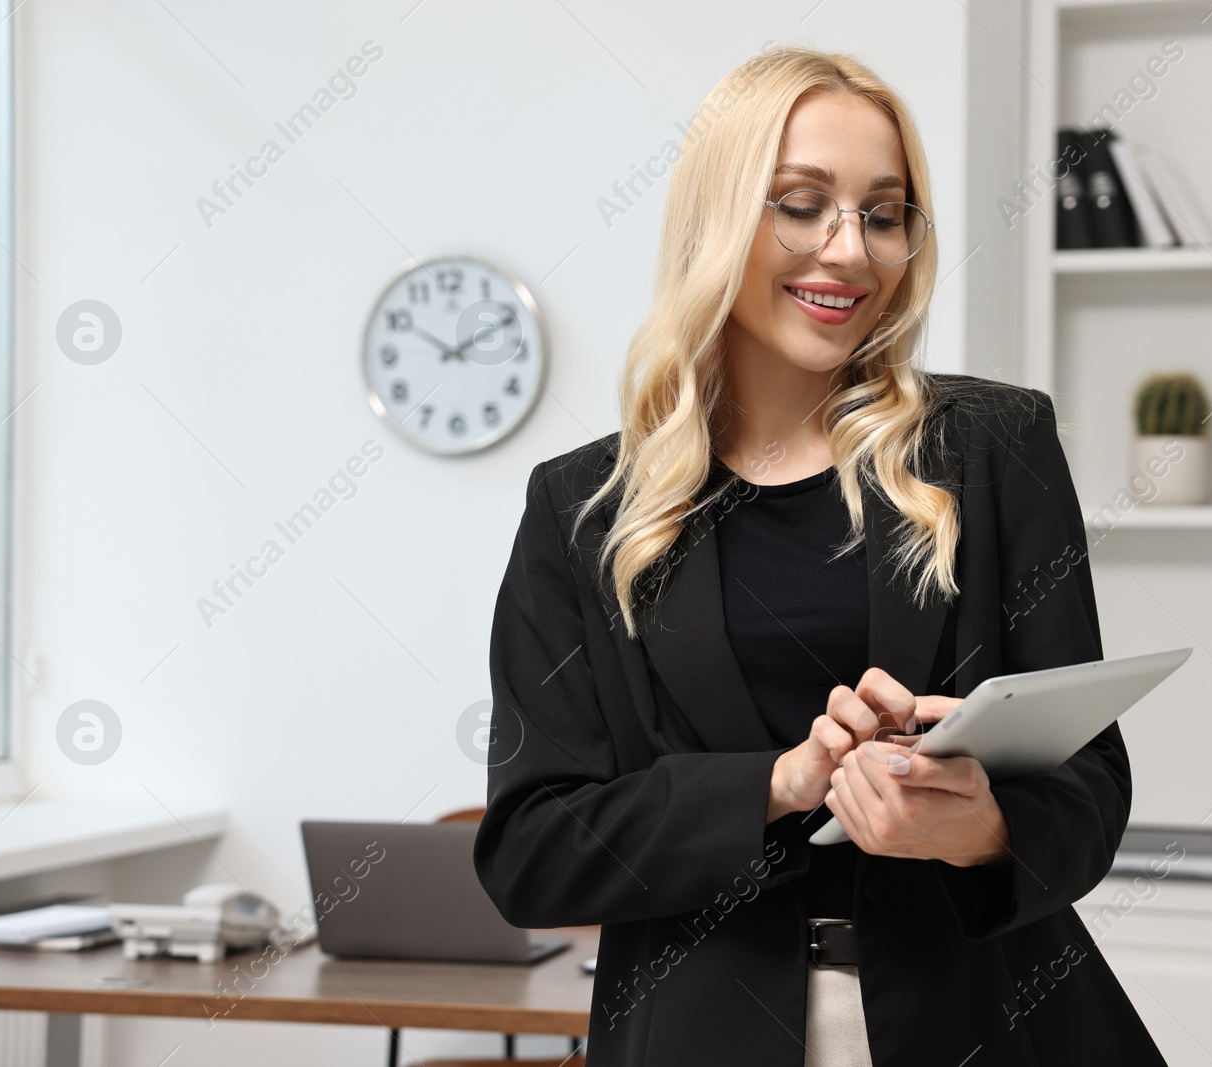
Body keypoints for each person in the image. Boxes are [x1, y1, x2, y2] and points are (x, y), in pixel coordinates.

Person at [474, 46, 1167, 1067]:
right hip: (699, 1032)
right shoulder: (584, 508)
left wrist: (975, 825)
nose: (849, 250)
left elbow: (1087, 793)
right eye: (802, 204)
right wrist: (780, 781)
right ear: (718, 222)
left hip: (983, 1021)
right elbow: (533, 853)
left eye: (883, 214)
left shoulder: (994, 448)